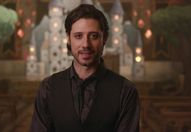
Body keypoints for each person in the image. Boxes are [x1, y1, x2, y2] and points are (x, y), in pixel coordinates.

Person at [30, 4, 140, 132]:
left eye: (93, 36)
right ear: (68, 39)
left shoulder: (126, 92)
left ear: (104, 39)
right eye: (78, 36)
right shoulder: (48, 89)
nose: (86, 44)